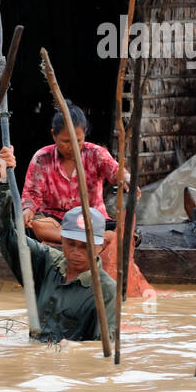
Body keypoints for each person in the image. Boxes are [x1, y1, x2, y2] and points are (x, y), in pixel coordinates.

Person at [20, 102, 154, 297]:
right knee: (35, 225)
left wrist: (126, 179)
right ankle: (87, 240)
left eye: (78, 140)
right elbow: (31, 195)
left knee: (129, 233)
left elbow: (116, 171)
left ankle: (88, 237)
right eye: (66, 141)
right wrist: (27, 211)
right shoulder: (42, 158)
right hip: (56, 221)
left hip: (92, 220)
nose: (72, 147)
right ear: (53, 136)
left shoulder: (95, 153)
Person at [0, 146, 116, 342]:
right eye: (70, 243)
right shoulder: (46, 261)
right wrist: (2, 181)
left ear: (100, 247)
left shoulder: (106, 290)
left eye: (85, 246)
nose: (76, 252)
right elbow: (2, 233)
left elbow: (99, 350)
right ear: (62, 240)